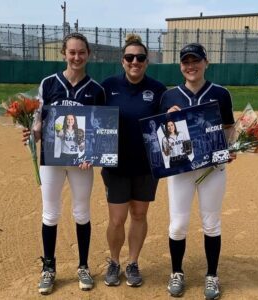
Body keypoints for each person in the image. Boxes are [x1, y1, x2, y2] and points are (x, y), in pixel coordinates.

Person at [22, 32, 105, 295]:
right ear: (63, 54)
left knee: (81, 213)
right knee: (50, 213)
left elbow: (100, 130)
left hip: (82, 162)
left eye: (81, 52)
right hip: (52, 160)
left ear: (88, 54)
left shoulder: (96, 90)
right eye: (72, 52)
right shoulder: (48, 83)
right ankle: (48, 268)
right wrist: (32, 132)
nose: (77, 57)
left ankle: (83, 266)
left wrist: (93, 152)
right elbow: (39, 121)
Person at [160, 43, 236, 299]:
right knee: (178, 224)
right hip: (181, 168)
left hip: (213, 167)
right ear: (181, 65)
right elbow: (160, 138)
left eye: (196, 60)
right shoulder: (169, 96)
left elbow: (228, 127)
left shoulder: (221, 93)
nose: (191, 66)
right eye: (186, 61)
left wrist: (231, 148)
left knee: (211, 222)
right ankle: (176, 272)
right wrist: (166, 120)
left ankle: (212, 275)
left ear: (206, 62)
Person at [100, 34, 167, 287]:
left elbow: (168, 126)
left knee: (139, 214)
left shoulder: (158, 90)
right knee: (117, 219)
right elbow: (92, 120)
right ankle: (114, 262)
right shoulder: (107, 87)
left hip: (146, 166)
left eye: (140, 57)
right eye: (130, 57)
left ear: (147, 61)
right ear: (122, 61)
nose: (134, 61)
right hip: (115, 165)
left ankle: (133, 262)